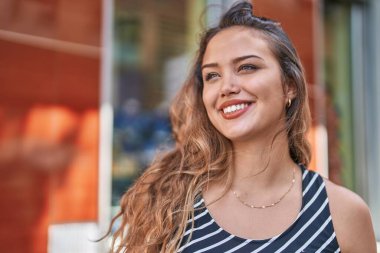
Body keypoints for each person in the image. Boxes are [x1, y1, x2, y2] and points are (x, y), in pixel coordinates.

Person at [108, 1, 377, 252]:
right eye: (212, 76)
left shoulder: (343, 213)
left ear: (290, 86)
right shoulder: (171, 206)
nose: (226, 87)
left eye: (247, 67)